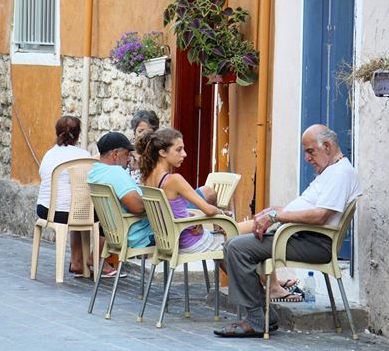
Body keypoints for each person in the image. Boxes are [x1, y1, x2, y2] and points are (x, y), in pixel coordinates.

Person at [213, 124, 363, 339]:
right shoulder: (332, 171)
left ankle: (257, 318)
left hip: (312, 242)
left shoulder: (341, 173)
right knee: (232, 244)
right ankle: (262, 313)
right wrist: (273, 212)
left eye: (310, 151)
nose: (307, 158)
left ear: (327, 146)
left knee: (237, 248)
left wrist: (276, 216)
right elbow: (308, 208)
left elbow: (321, 216)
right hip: (298, 235)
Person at [135, 126, 301, 300]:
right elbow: (208, 209)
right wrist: (224, 214)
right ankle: (272, 286)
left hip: (175, 240)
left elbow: (169, 212)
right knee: (259, 225)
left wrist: (192, 218)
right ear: (162, 152)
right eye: (179, 149)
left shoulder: (147, 179)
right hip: (193, 241)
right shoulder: (174, 179)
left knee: (230, 243)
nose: (184, 154)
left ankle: (264, 286)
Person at [36, 115, 96, 277]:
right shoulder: (83, 155)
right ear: (77, 135)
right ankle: (96, 261)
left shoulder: (49, 154)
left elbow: (42, 175)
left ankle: (77, 262)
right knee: (97, 213)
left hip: (44, 210)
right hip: (66, 212)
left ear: (57, 133)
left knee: (76, 210)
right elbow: (89, 183)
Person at [87, 131, 153, 249]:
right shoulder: (116, 172)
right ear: (116, 154)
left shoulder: (94, 174)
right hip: (138, 236)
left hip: (114, 235)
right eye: (127, 154)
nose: (128, 159)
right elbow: (137, 207)